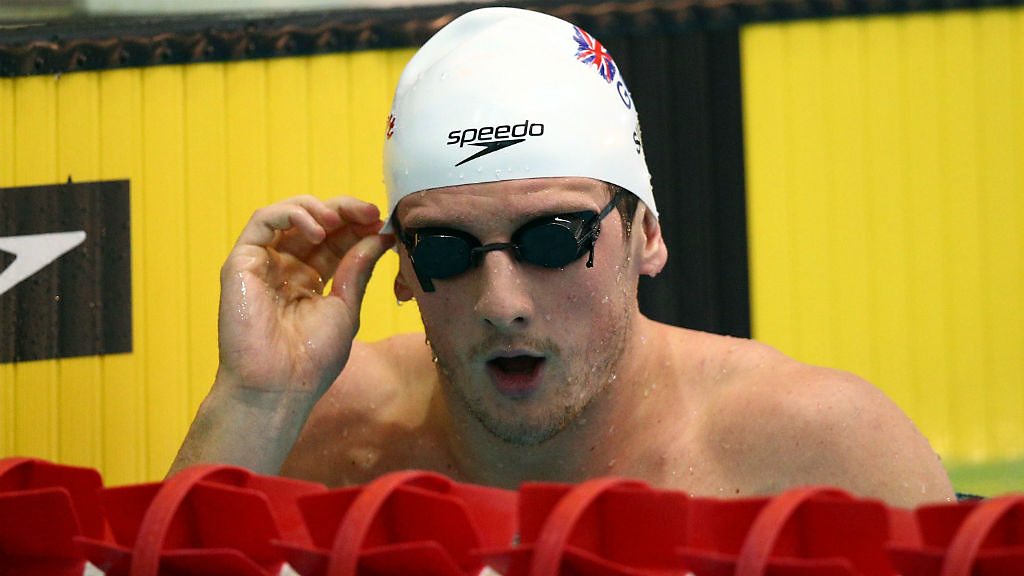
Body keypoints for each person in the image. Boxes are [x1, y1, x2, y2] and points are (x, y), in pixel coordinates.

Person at [170, 7, 954, 508]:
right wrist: (255, 400)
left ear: (645, 235)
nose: (501, 302)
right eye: (447, 248)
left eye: (552, 239)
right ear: (401, 267)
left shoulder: (816, 454)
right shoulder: (320, 436)